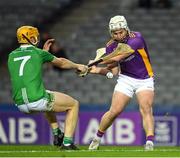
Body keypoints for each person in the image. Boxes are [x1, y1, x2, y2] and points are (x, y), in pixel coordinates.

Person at [7, 26, 88, 150]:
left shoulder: (11, 56)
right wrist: (78, 66)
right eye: (34, 36)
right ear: (30, 37)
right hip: (37, 100)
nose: (36, 39)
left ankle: (57, 133)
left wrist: (45, 53)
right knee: (73, 104)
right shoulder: (38, 52)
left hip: (20, 104)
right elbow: (61, 62)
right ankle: (67, 143)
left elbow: (28, 64)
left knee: (47, 95)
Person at [88, 15, 155, 151]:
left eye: (120, 32)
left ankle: (149, 142)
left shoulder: (137, 38)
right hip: (126, 79)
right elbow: (113, 72)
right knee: (114, 111)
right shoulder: (110, 46)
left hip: (145, 78)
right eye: (115, 33)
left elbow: (121, 55)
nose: (118, 35)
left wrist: (96, 61)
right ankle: (97, 138)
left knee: (145, 108)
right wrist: (95, 70)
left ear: (126, 29)